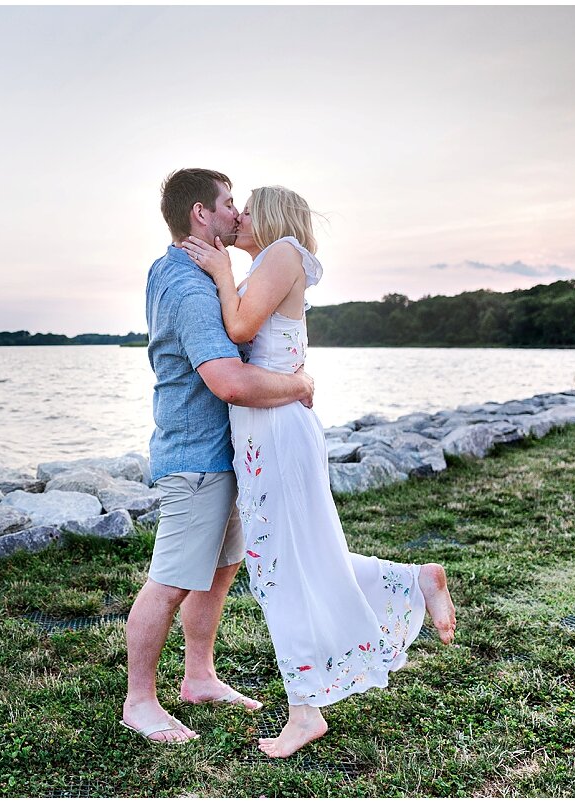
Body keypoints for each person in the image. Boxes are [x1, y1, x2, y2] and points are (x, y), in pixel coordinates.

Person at [178, 184, 459, 758]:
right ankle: (412, 582)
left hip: (276, 430)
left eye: (248, 208)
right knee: (294, 557)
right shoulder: (270, 261)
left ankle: (305, 711)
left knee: (279, 566)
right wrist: (227, 269)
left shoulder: (281, 252)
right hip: (267, 430)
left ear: (274, 215)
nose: (240, 217)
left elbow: (238, 331)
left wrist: (221, 270)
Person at [121, 169, 316, 744]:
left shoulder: (202, 273)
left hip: (228, 452)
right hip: (197, 455)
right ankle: (140, 702)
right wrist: (300, 386)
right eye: (229, 204)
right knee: (173, 579)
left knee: (217, 572)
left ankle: (199, 677)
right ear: (201, 214)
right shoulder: (186, 284)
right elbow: (228, 381)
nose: (237, 214)